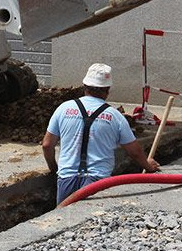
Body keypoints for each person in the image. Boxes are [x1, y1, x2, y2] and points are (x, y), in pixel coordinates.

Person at [42, 63, 160, 205]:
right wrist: (148, 166)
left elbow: (47, 145)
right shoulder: (115, 116)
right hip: (97, 183)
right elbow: (134, 152)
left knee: (61, 220)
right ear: (107, 90)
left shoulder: (64, 109)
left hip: (67, 179)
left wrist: (54, 168)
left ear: (84, 86)